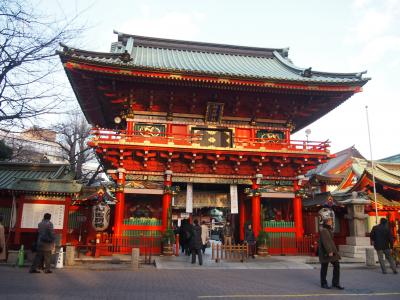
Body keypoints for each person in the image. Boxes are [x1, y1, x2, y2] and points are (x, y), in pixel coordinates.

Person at [318, 208, 344, 289]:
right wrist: (329, 251)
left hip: (331, 250)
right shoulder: (323, 229)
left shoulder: (327, 229)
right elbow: (326, 241)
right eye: (330, 220)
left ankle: (335, 282)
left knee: (336, 265)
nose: (331, 221)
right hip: (327, 251)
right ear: (325, 220)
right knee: (324, 267)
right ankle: (324, 283)